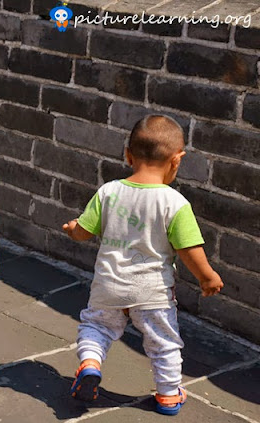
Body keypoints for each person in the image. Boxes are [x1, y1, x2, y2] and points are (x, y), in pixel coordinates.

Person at [62, 115, 223, 416]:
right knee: (164, 343)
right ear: (177, 160)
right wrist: (207, 276)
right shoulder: (175, 203)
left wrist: (73, 228)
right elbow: (189, 249)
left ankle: (91, 363)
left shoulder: (108, 191)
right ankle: (168, 395)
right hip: (152, 293)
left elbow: (84, 231)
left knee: (96, 326)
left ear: (128, 155)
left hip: (108, 286)